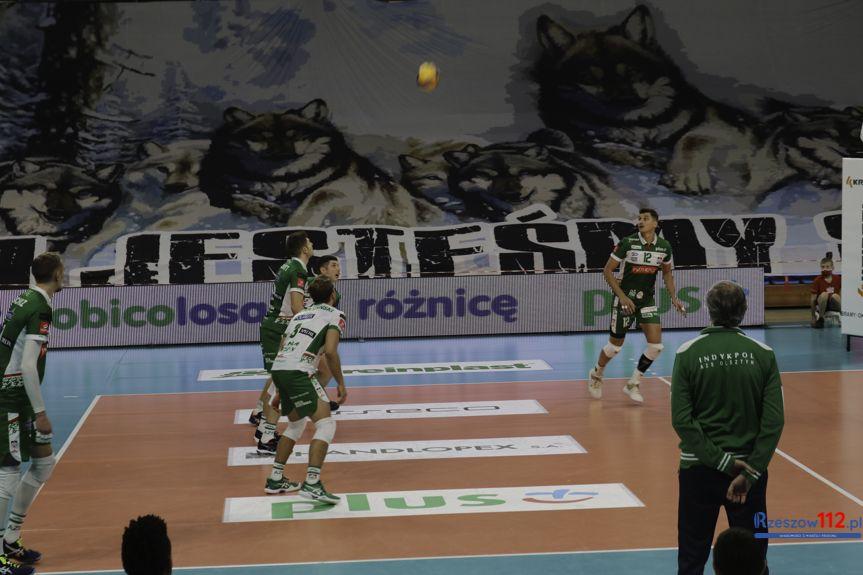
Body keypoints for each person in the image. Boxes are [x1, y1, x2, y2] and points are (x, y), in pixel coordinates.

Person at [672, 281, 784, 575]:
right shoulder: (763, 353)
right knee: (754, 560)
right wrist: (750, 472)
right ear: (744, 311)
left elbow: (682, 420)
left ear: (708, 311)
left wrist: (721, 461)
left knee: (692, 558)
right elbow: (773, 421)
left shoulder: (687, 353)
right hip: (748, 475)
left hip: (698, 470)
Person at [0, 252, 65, 575]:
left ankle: (10, 538)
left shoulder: (26, 298)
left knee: (43, 464)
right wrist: (40, 412)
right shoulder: (39, 306)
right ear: (57, 274)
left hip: (20, 395)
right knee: (8, 471)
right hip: (11, 399)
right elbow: (27, 364)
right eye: (63, 271)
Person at [587, 208, 686, 403]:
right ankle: (596, 374)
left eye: (645, 218)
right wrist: (622, 297)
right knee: (614, 348)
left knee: (656, 346)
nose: (640, 221)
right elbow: (607, 271)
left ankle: (633, 383)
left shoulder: (664, 247)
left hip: (646, 300)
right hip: (625, 299)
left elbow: (667, 272)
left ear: (655, 223)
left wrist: (674, 298)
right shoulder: (627, 243)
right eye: (639, 218)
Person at [265, 277, 347, 504]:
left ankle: (275, 478)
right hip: (300, 371)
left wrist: (280, 389)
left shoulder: (299, 315)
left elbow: (283, 347)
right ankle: (312, 482)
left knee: (296, 425)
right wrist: (341, 382)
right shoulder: (335, 314)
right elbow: (330, 351)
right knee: (326, 424)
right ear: (332, 296)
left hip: (281, 369)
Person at [253, 232, 314, 454]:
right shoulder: (298, 269)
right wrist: (312, 326)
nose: (312, 244)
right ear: (304, 249)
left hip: (275, 327)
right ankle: (267, 438)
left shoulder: (288, 266)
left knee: (276, 383)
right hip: (280, 330)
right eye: (309, 242)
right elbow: (297, 307)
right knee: (280, 385)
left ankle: (263, 429)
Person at [810, 256, 840, 328]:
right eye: (823, 267)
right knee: (824, 294)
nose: (825, 269)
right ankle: (821, 319)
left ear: (832, 267)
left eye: (827, 267)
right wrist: (813, 316)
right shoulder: (817, 280)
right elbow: (812, 300)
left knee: (835, 296)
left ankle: (846, 317)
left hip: (833, 304)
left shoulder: (838, 279)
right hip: (821, 305)